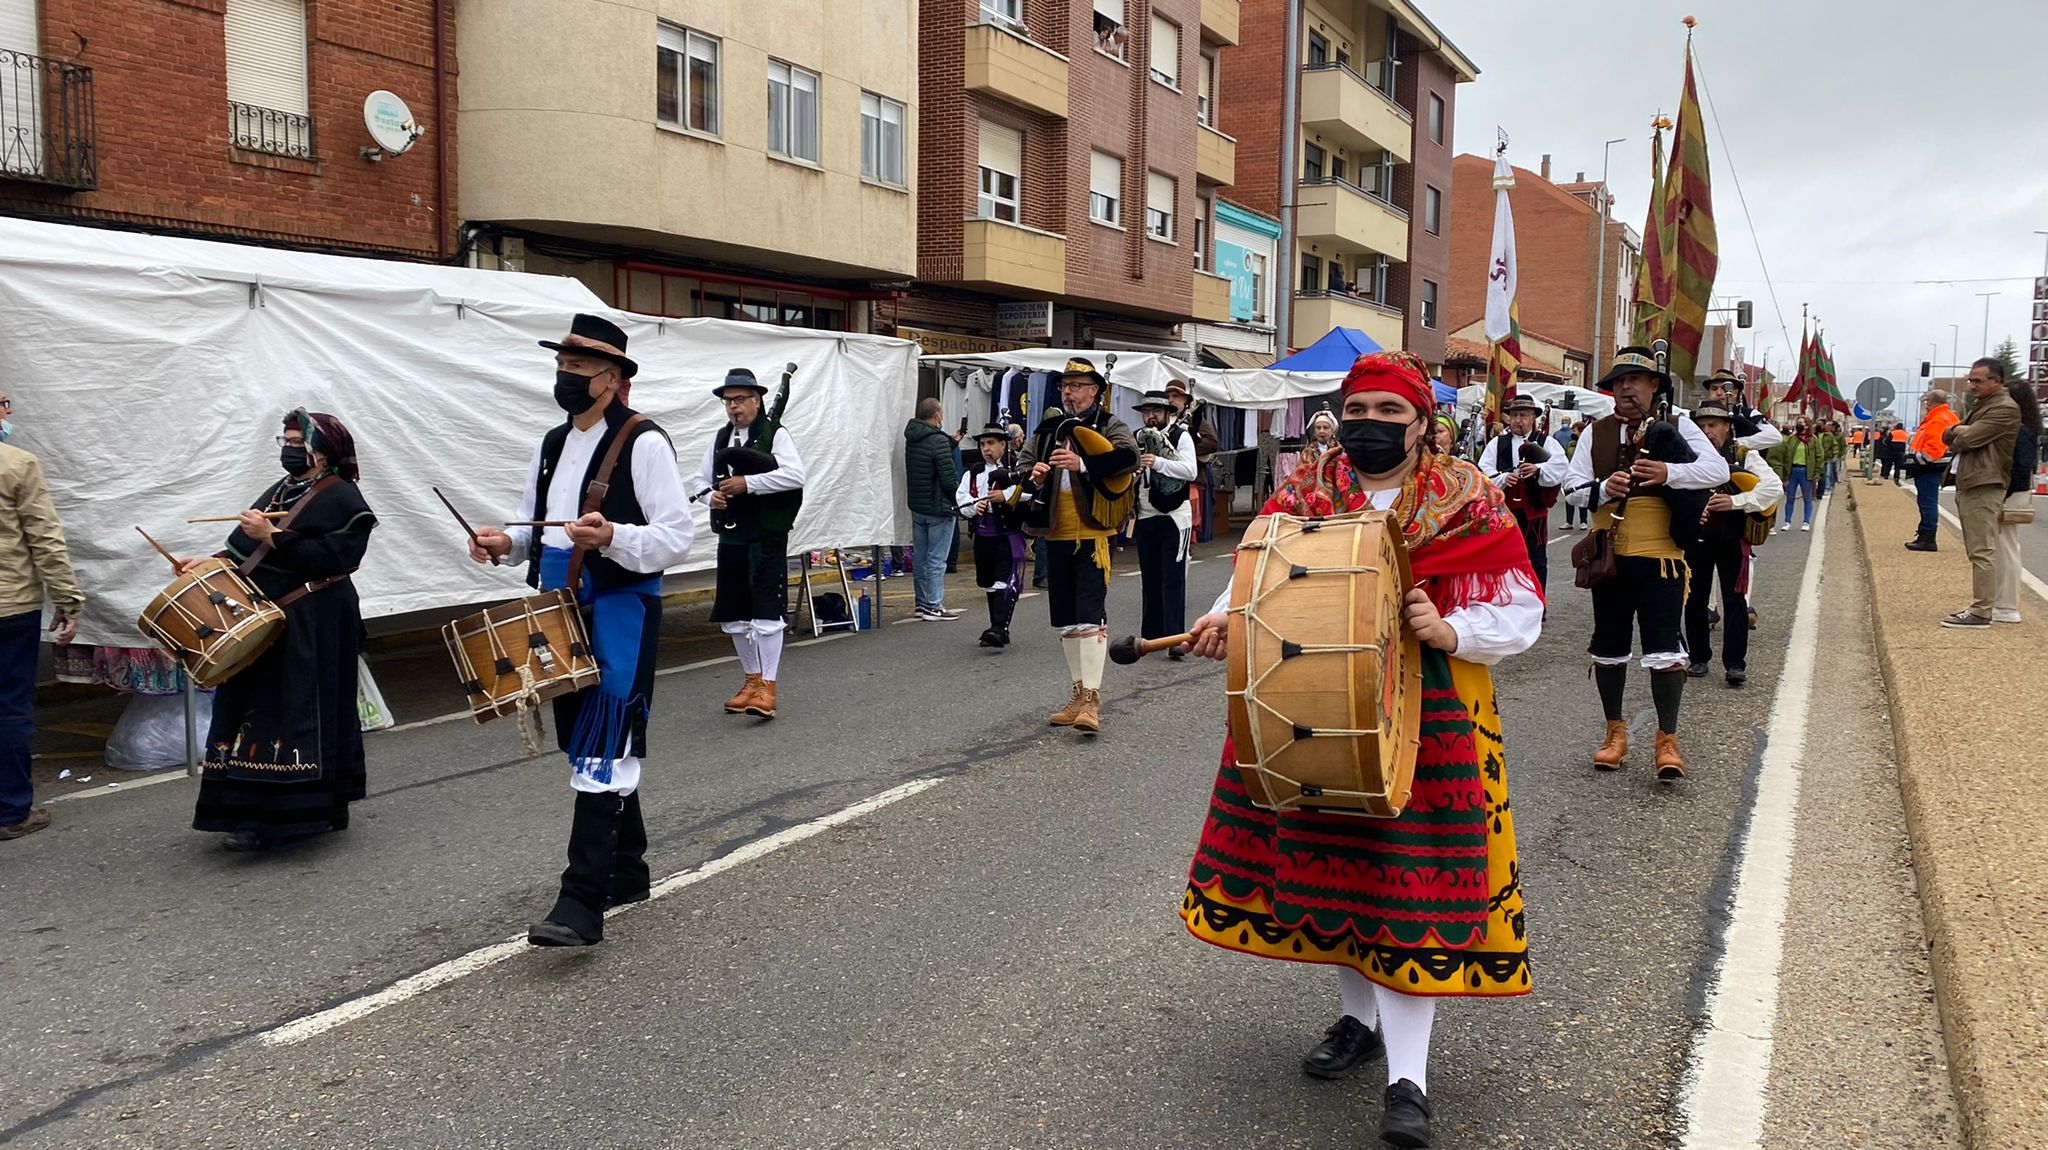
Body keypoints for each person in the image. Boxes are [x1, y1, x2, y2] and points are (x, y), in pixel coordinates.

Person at [1179, 350, 1540, 1150]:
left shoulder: (1465, 498)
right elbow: (1259, 572)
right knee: (1340, 868)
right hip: (1309, 701)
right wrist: (1222, 616)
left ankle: (1409, 1077)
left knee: (1411, 885)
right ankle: (1356, 1022)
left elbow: (1521, 606)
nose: (1370, 426)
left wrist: (1453, 630)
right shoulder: (1307, 491)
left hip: (1432, 705)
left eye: (1390, 413)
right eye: (1359, 411)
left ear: (1423, 424)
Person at [470, 314, 693, 945]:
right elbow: (530, 526)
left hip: (620, 609)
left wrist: (615, 536)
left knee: (604, 738)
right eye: (561, 365)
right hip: (556, 607)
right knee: (589, 739)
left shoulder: (644, 441)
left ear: (613, 377)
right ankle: (629, 868)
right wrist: (501, 544)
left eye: (577, 367)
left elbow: (675, 535)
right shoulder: (549, 443)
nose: (565, 376)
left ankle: (581, 900)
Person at [181, 410, 374, 851]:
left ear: (321, 450)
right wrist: (206, 563)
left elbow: (339, 557)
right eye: (283, 440)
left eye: (294, 441)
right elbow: (241, 548)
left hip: (317, 616)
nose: (287, 448)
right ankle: (246, 811)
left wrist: (273, 536)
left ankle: (300, 813)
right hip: (270, 615)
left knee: (301, 709)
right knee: (254, 706)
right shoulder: (282, 489)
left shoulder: (342, 496)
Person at [1564, 346, 1730, 778]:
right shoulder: (1594, 432)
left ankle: (1667, 740)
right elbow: (1572, 488)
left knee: (1664, 649)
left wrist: (1668, 474)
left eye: (1634, 379)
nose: (1625, 387)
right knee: (1609, 647)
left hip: (1660, 558)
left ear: (1654, 385)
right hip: (1609, 558)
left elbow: (1716, 471)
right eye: (1618, 381)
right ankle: (1614, 734)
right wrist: (1602, 489)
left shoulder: (1681, 425)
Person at [1016, 358, 1139, 736]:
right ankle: (1076, 695)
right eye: (1065, 385)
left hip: (1093, 533)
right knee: (1067, 620)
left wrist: (1083, 465)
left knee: (1090, 616)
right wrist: (1034, 473)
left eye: (1077, 385)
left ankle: (1092, 699)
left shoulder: (1110, 425)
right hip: (1055, 533)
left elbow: (1128, 458)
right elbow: (1023, 463)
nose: (1069, 391)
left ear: (1094, 391)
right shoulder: (1049, 427)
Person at [696, 367, 807, 716]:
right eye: (729, 401)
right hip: (731, 536)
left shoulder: (776, 434)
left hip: (765, 534)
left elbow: (794, 475)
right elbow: (698, 482)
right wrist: (708, 497)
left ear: (757, 400)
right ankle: (751, 680)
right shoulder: (719, 438)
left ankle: (768, 688)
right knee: (735, 614)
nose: (733, 407)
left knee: (765, 610)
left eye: (740, 399)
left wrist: (749, 484)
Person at [0, 390, 82, 841]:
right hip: (10, 604)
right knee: (9, 706)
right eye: (2, 403)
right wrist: (68, 600)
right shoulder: (16, 463)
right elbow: (45, 540)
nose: (8, 411)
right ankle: (11, 810)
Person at [1683, 399, 1783, 687]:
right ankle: (1698, 657)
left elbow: (1773, 488)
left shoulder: (1744, 455)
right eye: (1700, 426)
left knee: (1735, 602)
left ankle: (1735, 664)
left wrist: (1736, 501)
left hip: (1732, 539)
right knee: (1695, 600)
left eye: (1713, 425)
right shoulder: (1687, 455)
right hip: (1697, 539)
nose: (1706, 431)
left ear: (1727, 427)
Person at [1938, 359, 2021, 629]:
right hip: (1972, 481)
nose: (1971, 385)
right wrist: (1959, 430)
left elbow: (1966, 439)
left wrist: (1960, 432)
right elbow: (1947, 435)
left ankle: (1981, 611)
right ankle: (1982, 607)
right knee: (1979, 549)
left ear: (1997, 381)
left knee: (1982, 550)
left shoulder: (2004, 408)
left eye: (1978, 381)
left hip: (1985, 483)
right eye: (1970, 380)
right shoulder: (1984, 406)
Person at [1130, 391, 1200, 658]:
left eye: (1156, 412)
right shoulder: (1137, 438)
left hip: (1174, 515)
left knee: (1172, 578)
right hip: (1146, 513)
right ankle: (1151, 636)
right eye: (1146, 412)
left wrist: (1158, 462)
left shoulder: (1180, 436)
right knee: (1150, 578)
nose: (1151, 417)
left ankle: (1174, 638)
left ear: (1167, 413)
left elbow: (1190, 471)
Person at [1478, 394, 1567, 590]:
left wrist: (1538, 470)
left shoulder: (1546, 442)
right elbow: (1483, 471)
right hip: (1505, 511)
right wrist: (1503, 478)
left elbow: (1561, 467)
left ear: (1533, 418)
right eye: (1515, 415)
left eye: (1524, 415)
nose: (1519, 420)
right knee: (1505, 559)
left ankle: (1537, 606)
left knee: (1536, 561)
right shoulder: (1498, 443)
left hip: (1534, 513)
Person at [955, 424, 1030, 647]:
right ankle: (999, 628)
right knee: (989, 581)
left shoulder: (1016, 466)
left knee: (1005, 580)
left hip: (1007, 534)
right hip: (983, 535)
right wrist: (973, 507)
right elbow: (962, 498)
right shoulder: (973, 472)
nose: (986, 449)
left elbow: (1029, 491)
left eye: (991, 443)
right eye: (982, 444)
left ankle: (998, 627)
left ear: (1002, 444)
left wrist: (1005, 495)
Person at [904, 397, 962, 621]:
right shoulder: (937, 440)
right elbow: (948, 479)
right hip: (939, 507)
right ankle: (934, 605)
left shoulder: (913, 437)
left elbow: (928, 458)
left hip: (918, 506)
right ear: (937, 415)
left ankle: (921, 603)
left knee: (921, 558)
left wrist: (952, 442)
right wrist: (958, 500)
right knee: (937, 559)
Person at [1993, 380, 2042, 624]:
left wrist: (2002, 492)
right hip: (2014, 491)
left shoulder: (2021, 430)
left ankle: (2006, 605)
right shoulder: (2026, 427)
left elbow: (2021, 466)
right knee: (2005, 548)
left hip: (2011, 493)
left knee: (2006, 549)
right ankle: (2002, 602)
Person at [1902, 390, 1959, 552]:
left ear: (1932, 402)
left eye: (1927, 401)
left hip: (1929, 468)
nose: (1925, 404)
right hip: (1936, 467)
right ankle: (1925, 536)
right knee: (1928, 502)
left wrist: (1914, 462)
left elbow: (1933, 450)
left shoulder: (1937, 420)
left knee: (1927, 503)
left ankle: (1927, 538)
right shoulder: (1948, 417)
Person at [1767, 420, 1818, 532]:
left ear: (1808, 425)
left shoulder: (1813, 440)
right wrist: (1785, 474)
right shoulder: (1791, 439)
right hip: (1792, 470)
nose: (1799, 425)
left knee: (1807, 498)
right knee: (1790, 497)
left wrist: (1817, 473)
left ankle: (1806, 522)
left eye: (1802, 423)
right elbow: (1786, 455)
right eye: (1798, 422)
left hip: (1806, 471)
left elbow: (1819, 456)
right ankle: (1787, 521)